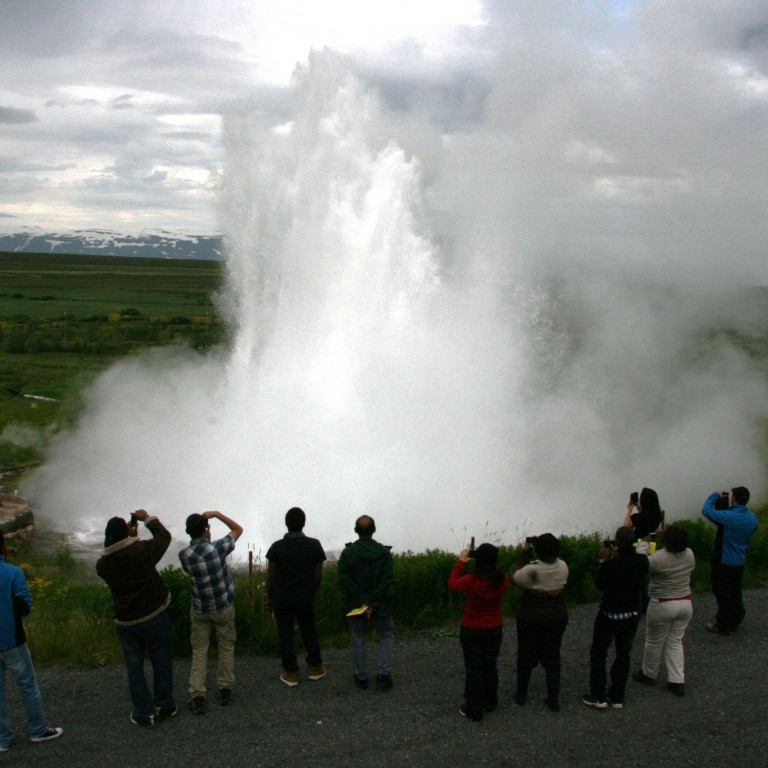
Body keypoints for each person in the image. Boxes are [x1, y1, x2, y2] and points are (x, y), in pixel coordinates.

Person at [96, 509, 176, 728]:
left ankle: (144, 713)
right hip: (154, 614)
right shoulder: (140, 552)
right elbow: (164, 538)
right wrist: (147, 519)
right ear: (126, 533)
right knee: (160, 660)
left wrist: (128, 538)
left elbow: (117, 555)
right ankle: (164, 705)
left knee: (135, 667)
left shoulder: (102, 566)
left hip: (127, 622)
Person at [0, 531, 63, 750]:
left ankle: (2, 739)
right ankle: (38, 729)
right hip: (12, 640)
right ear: (4, 549)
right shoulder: (13, 573)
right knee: (27, 686)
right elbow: (24, 607)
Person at [178, 510, 243, 713]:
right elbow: (237, 529)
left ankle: (197, 695)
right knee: (226, 647)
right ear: (206, 530)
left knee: (199, 651)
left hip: (200, 608)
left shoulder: (185, 556)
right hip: (223, 606)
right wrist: (217, 514)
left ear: (189, 532)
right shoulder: (218, 548)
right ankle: (225, 689)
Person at [582, 526, 649, 710]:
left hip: (609, 614)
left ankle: (598, 696)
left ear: (617, 544)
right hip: (631, 614)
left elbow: (600, 585)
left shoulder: (611, 565)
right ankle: (618, 695)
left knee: (599, 653)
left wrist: (603, 559)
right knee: (623, 653)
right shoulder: (642, 562)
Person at [265, 507, 327, 686]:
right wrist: (312, 593)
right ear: (304, 523)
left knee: (285, 634)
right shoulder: (314, 545)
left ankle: (290, 672)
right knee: (309, 631)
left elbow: (271, 577)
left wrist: (270, 597)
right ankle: (315, 667)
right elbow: (318, 575)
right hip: (305, 595)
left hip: (282, 597)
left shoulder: (277, 547)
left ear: (286, 524)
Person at [448, 543, 509, 721]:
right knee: (490, 664)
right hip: (494, 628)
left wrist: (461, 561)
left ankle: (474, 707)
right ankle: (491, 701)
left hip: (472, 628)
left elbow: (452, 583)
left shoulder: (471, 581)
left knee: (474, 667)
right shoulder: (502, 580)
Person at [632, 525, 695, 697]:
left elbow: (639, 564)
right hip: (685, 603)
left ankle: (648, 673)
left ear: (667, 540)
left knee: (654, 641)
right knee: (675, 641)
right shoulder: (689, 554)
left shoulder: (659, 558)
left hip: (663, 603)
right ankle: (677, 680)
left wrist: (644, 544)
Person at [511, 533, 568, 712]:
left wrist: (525, 554)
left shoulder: (532, 570)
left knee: (525, 655)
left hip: (531, 617)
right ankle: (553, 698)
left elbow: (514, 577)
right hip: (557, 616)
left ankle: (521, 695)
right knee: (552, 655)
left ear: (538, 551)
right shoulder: (563, 567)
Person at [338, 515, 394, 690]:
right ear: (374, 530)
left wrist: (363, 601)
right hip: (380, 604)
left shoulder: (348, 553)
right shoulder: (384, 553)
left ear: (356, 531)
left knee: (358, 638)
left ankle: (361, 677)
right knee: (386, 634)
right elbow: (386, 580)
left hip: (356, 605)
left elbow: (345, 579)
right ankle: (383, 676)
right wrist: (372, 601)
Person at [701, 487, 758, 635]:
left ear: (734, 499)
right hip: (739, 560)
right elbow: (753, 529)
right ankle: (736, 617)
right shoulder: (751, 517)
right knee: (735, 590)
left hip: (723, 560)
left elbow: (706, 510)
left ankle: (723, 624)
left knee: (722, 592)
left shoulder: (728, 516)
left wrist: (715, 495)